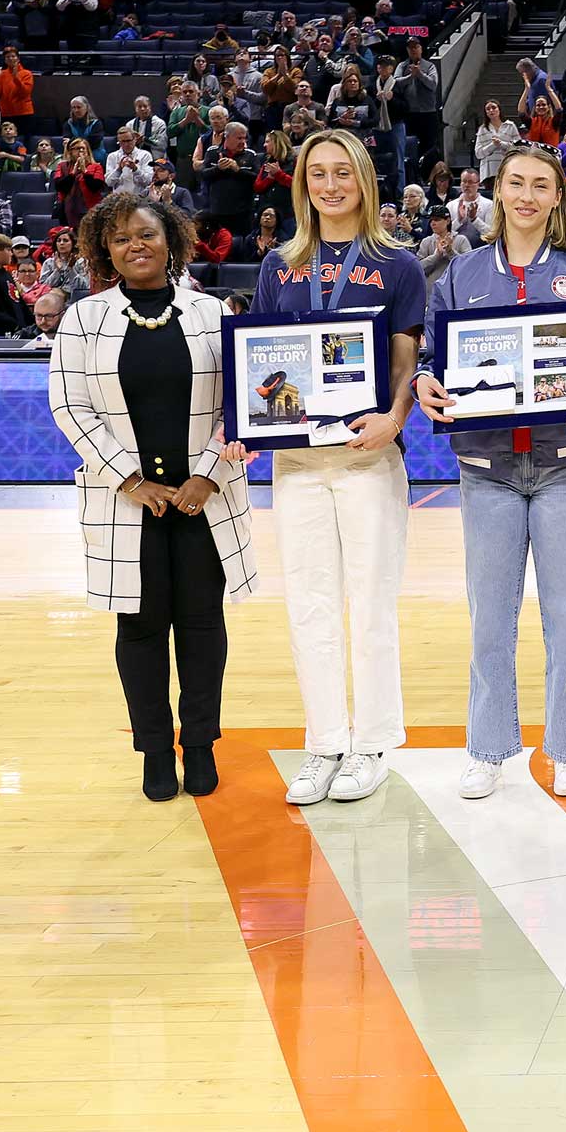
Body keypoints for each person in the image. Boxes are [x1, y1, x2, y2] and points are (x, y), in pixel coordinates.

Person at [413, 145, 566, 799]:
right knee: (489, 619)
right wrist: (427, 380)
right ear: (497, 191)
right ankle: (487, 747)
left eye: (542, 185)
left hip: (565, 465)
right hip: (486, 468)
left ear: (559, 196)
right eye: (517, 183)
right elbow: (433, 357)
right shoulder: (460, 274)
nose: (528, 196)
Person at [237, 129, 426, 808]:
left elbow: (405, 364)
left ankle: (372, 741)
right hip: (297, 462)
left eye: (342, 171)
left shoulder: (397, 264)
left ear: (364, 179)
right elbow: (261, 358)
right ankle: (324, 741)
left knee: (370, 602)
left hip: (367, 456)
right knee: (309, 602)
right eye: (317, 172)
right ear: (302, 183)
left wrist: (395, 419)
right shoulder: (278, 263)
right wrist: (248, 428)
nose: (330, 184)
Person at [47, 190, 257, 800]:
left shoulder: (213, 313)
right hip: (125, 503)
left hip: (202, 500)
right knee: (138, 631)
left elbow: (239, 404)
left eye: (146, 234)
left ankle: (199, 745)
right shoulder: (82, 319)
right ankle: (154, 753)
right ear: (103, 250)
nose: (135, 245)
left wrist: (209, 474)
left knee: (201, 625)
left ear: (171, 239)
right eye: (120, 238)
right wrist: (132, 481)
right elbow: (70, 406)